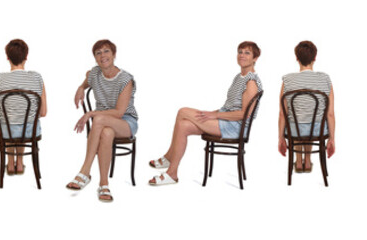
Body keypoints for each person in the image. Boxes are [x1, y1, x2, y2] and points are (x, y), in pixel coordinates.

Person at [146, 41, 263, 185]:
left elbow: (244, 114)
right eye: (240, 52)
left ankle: (168, 158)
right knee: (183, 125)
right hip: (226, 121)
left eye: (247, 53)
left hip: (235, 127)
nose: (242, 55)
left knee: (183, 111)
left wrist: (216, 115)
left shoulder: (251, 82)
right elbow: (230, 107)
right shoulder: (239, 77)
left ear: (255, 58)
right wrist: (213, 112)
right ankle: (172, 174)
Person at [65, 39, 137, 202]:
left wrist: (90, 114)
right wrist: (80, 88)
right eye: (98, 53)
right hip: (104, 123)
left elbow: (119, 112)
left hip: (125, 122)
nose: (102, 55)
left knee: (98, 120)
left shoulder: (126, 79)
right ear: (95, 58)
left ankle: (85, 171)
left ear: (114, 55)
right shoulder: (95, 73)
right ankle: (104, 184)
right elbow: (86, 81)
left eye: (106, 51)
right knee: (106, 132)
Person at [0, 39, 47, 177]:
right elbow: (43, 112)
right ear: (26, 57)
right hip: (29, 132)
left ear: (7, 57)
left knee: (10, 123)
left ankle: (10, 163)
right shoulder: (37, 77)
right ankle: (20, 163)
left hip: (6, 133)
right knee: (24, 122)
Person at [277, 40, 336, 172]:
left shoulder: (287, 80)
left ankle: (298, 162)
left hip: (294, 131)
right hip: (317, 130)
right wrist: (332, 138)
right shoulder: (325, 79)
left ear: (297, 58)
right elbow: (330, 113)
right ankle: (307, 162)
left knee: (297, 122)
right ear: (314, 58)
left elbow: (283, 113)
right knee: (310, 121)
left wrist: (280, 138)